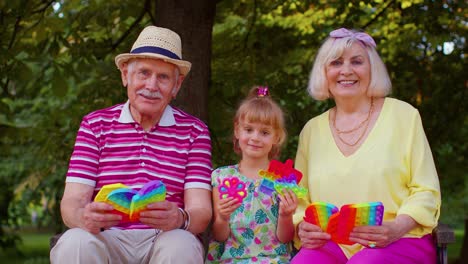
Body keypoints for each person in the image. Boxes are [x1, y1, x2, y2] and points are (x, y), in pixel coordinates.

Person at [50, 25, 213, 264]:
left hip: (163, 237)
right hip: (106, 239)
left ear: (177, 85)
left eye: (163, 77)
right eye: (144, 73)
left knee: (182, 244)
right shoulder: (95, 124)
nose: (151, 85)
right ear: (126, 75)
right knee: (75, 241)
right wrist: (84, 217)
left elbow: (201, 211)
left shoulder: (195, 132)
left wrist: (179, 218)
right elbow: (71, 203)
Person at [291, 28, 441, 264]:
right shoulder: (312, 130)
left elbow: (426, 190)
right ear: (324, 72)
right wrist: (301, 225)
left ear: (372, 69)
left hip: (400, 239)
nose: (346, 70)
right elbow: (299, 195)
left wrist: (396, 227)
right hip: (331, 244)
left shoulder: (404, 115)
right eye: (336, 62)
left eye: (357, 61)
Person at [205, 86, 298, 264]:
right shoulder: (221, 177)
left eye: (264, 132)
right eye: (249, 130)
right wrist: (222, 217)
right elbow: (220, 236)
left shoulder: (282, 179)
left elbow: (285, 239)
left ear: (276, 137)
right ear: (237, 131)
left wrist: (286, 215)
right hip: (232, 259)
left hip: (273, 260)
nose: (255, 137)